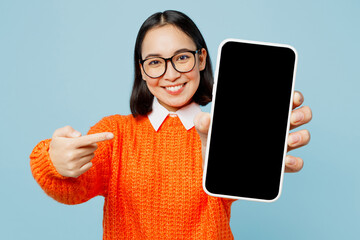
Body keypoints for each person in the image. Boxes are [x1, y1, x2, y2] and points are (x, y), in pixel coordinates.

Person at [30, 10, 312, 239]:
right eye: (155, 62)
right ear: (142, 70)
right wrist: (53, 162)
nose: (171, 74)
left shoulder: (225, 129)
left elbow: (244, 184)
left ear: (201, 58)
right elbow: (72, 190)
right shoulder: (116, 133)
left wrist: (262, 148)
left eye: (181, 58)